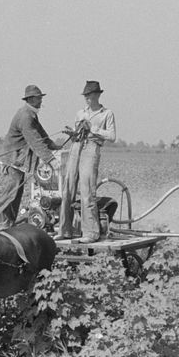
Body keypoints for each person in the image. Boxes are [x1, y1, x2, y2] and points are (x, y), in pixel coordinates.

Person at [57, 80, 116, 243]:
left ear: (97, 95)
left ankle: (91, 233)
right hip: (76, 148)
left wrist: (93, 129)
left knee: (87, 191)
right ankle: (65, 230)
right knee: (67, 189)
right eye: (85, 96)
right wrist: (72, 132)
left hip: (91, 149)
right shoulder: (79, 113)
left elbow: (112, 136)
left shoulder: (107, 114)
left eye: (89, 95)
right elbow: (77, 134)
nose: (87, 99)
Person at [0, 84, 62, 229]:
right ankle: (1, 226)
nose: (40, 101)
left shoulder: (31, 114)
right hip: (12, 160)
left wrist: (54, 146)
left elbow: (41, 134)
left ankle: (9, 226)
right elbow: (35, 140)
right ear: (31, 99)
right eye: (39, 98)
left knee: (16, 195)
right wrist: (51, 159)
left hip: (18, 161)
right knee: (9, 195)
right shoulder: (25, 116)